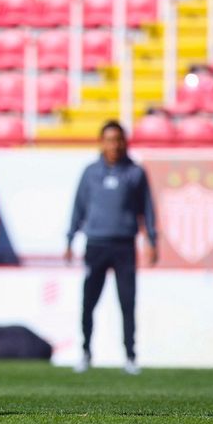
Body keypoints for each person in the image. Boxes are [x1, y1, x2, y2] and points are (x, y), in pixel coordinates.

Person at [65, 120, 157, 375]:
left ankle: (130, 356)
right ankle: (85, 352)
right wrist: (70, 238)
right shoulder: (90, 172)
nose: (114, 144)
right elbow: (78, 207)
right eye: (109, 139)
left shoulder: (135, 173)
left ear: (125, 142)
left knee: (127, 302)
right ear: (101, 142)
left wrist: (152, 239)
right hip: (96, 244)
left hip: (124, 245)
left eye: (118, 139)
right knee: (89, 302)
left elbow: (147, 209)